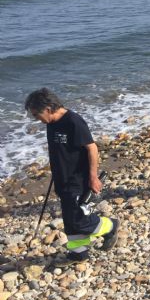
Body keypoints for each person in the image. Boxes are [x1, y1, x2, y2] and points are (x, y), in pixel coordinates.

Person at [24, 88, 118, 263]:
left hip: (78, 179)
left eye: (36, 114)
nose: (37, 119)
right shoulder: (51, 123)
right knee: (70, 219)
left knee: (79, 221)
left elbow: (92, 148)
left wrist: (93, 177)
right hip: (62, 179)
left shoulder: (74, 122)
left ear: (48, 108)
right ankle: (79, 252)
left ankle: (111, 226)